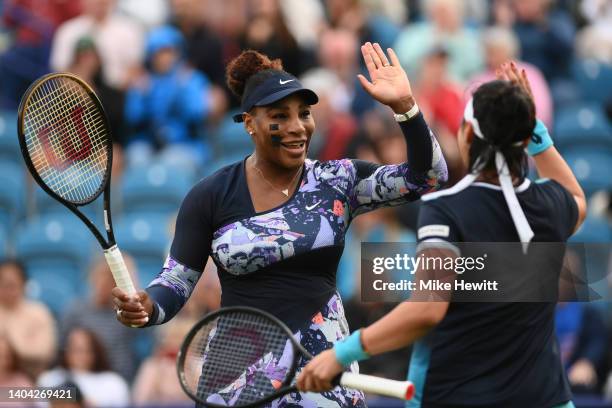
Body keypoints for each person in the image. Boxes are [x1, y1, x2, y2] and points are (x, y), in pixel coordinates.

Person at [112, 42, 447, 407]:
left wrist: (405, 108)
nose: (297, 127)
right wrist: (147, 306)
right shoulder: (209, 195)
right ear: (249, 124)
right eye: (280, 115)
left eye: (303, 113)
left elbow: (428, 177)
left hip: (323, 367)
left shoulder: (338, 180)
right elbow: (175, 283)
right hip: (238, 374)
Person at [296, 62, 587, 408]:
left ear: (466, 134)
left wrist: (341, 354)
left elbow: (427, 310)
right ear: (525, 138)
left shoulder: (447, 209)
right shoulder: (551, 203)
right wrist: (532, 127)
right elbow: (578, 198)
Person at [38, 327, 130, 407]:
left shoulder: (113, 383)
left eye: (86, 350)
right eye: (75, 349)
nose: (80, 355)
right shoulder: (50, 379)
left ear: (96, 352)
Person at [0, 259, 56, 378]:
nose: (7, 288)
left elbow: (44, 351)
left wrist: (9, 349)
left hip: (32, 380)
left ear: (24, 284)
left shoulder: (39, 312)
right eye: (3, 283)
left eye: (12, 284)